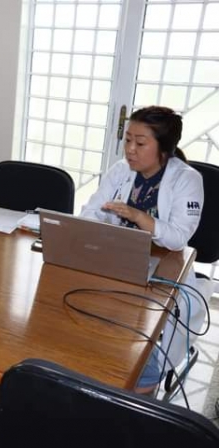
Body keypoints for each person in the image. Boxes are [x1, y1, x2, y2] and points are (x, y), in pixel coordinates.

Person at [81, 105, 205, 394]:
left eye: (140, 143)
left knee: (142, 345)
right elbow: (92, 210)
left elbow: (177, 238)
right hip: (117, 256)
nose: (129, 150)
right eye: (127, 140)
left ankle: (141, 386)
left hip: (163, 265)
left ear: (164, 147)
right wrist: (88, 229)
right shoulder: (121, 170)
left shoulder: (187, 179)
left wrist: (138, 216)